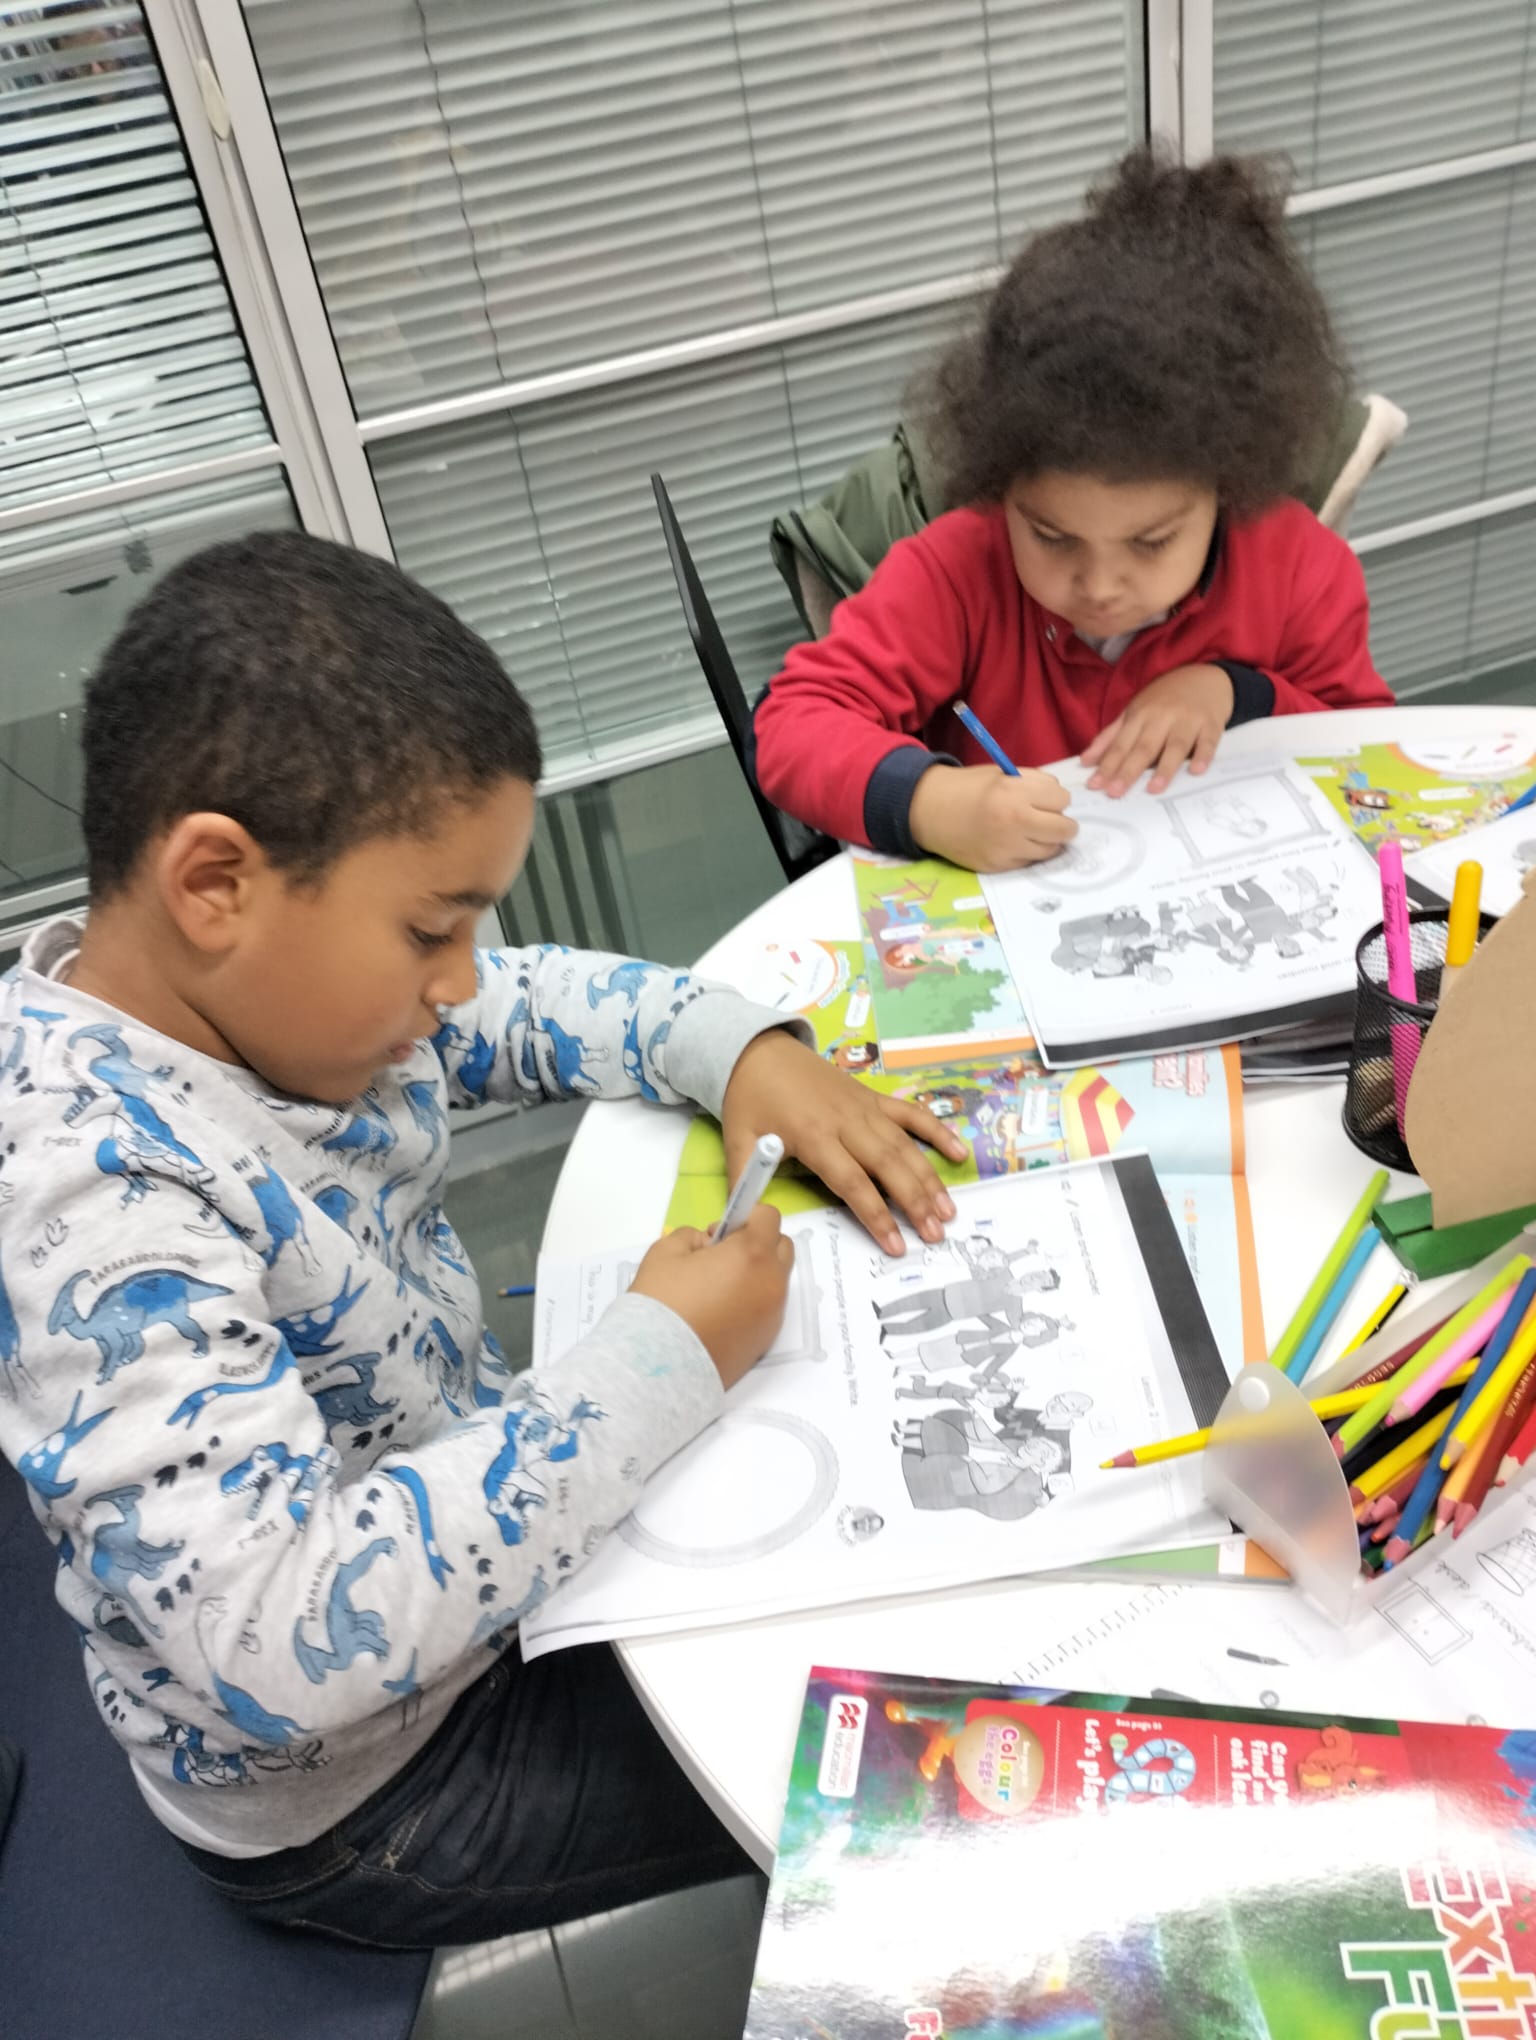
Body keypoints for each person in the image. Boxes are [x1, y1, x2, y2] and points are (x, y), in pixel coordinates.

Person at [0, 531, 969, 1949]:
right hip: (381, 1786)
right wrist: (659, 1360)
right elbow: (282, 1639)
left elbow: (528, 1002)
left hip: (479, 1548)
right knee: (912, 1752)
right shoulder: (90, 1205)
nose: (458, 984)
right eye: (428, 930)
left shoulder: (262, 998)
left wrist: (742, 1051)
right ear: (214, 884)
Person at [752, 147, 1395, 873]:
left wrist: (1239, 694)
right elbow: (790, 723)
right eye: (1052, 536)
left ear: (1228, 483)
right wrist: (930, 802)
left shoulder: (1299, 567)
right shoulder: (958, 570)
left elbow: (1368, 750)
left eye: (1151, 542)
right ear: (1001, 482)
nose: (1098, 586)